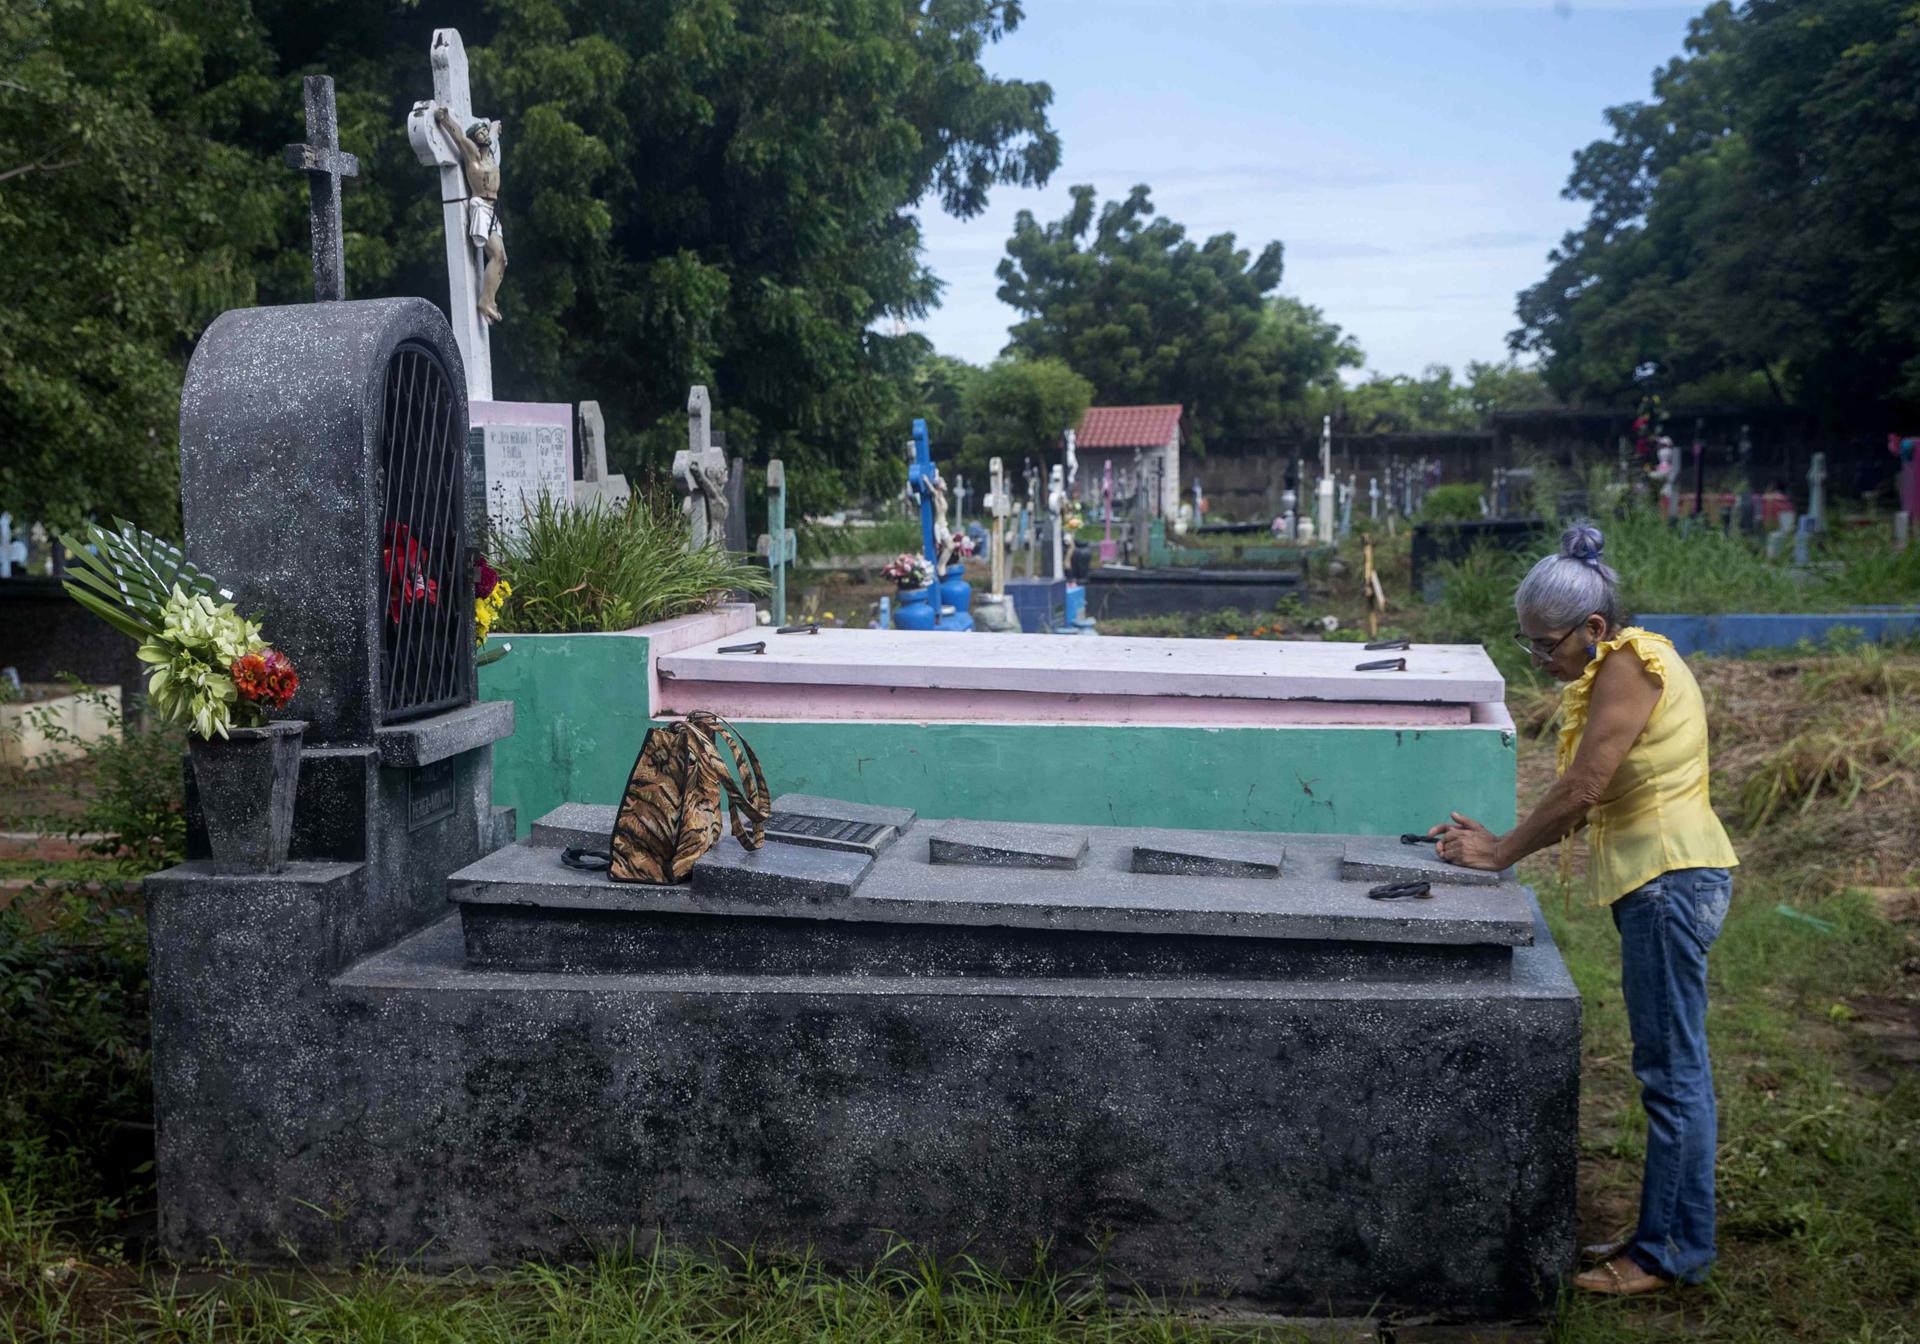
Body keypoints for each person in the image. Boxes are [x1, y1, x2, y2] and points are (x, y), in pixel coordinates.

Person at [1430, 522, 1739, 1297]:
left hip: (1670, 886)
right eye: (1528, 644)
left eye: (1546, 646)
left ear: (1593, 630)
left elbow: (1582, 788)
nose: (1540, 661)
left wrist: (1501, 852)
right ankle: (1663, 1234)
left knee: (1673, 1074)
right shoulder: (1630, 658)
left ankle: (1667, 1255)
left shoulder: (1630, 666)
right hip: (1666, 882)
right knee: (1671, 1067)